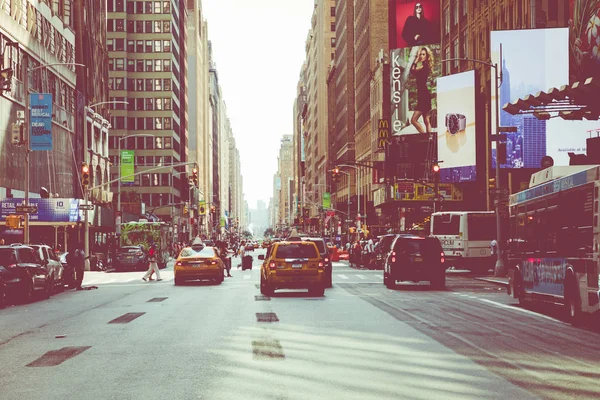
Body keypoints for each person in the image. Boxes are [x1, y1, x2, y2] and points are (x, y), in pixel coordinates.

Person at [410, 46, 434, 133]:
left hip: (424, 96)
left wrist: (416, 59)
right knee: (426, 120)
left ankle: (424, 135)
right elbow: (413, 71)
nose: (421, 56)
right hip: (423, 95)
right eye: (420, 54)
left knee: (413, 120)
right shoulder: (423, 66)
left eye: (423, 54)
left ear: (427, 56)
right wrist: (417, 58)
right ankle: (428, 138)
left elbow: (412, 70)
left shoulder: (424, 67)